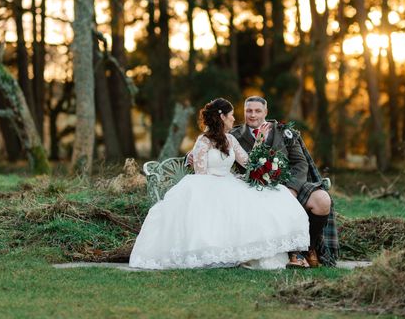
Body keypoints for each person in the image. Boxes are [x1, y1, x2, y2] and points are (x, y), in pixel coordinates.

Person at [129, 98, 310, 270]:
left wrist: (261, 140)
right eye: (231, 115)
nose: (234, 118)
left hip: (228, 182)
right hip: (205, 184)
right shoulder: (204, 140)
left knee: (270, 196)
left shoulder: (230, 140)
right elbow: (200, 172)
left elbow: (249, 163)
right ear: (222, 117)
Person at [229, 96, 333, 268]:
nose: (253, 115)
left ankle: (309, 247)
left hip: (288, 185)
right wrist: (193, 155)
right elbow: (212, 145)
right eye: (249, 111)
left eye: (257, 111)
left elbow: (300, 163)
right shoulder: (234, 135)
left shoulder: (283, 132)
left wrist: (292, 188)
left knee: (323, 200)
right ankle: (291, 253)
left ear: (266, 112)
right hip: (254, 189)